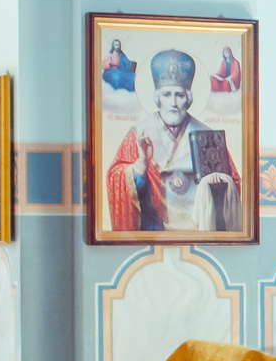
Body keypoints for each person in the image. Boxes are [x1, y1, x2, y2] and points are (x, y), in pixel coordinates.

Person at [103, 48, 242, 234]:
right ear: (157, 99)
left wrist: (219, 183)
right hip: (154, 228)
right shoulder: (139, 134)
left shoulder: (207, 135)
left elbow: (234, 182)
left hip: (200, 231)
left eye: (179, 95)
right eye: (166, 95)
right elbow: (115, 176)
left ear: (188, 99)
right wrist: (141, 164)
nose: (173, 103)